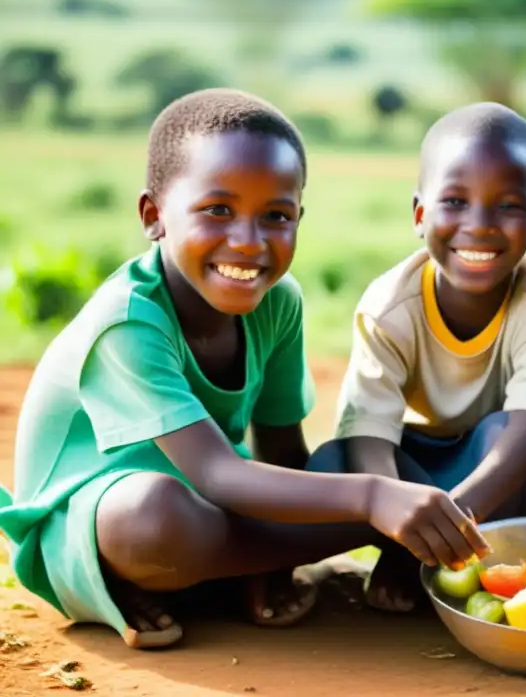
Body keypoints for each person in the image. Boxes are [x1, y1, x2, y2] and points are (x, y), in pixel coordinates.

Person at [0, 89, 487, 650]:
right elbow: (215, 474)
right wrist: (375, 503)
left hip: (217, 509)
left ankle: (232, 574)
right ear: (154, 216)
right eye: (217, 211)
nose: (248, 243)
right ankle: (196, 575)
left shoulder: (278, 302)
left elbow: (282, 450)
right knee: (158, 518)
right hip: (100, 527)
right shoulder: (128, 321)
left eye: (276, 216)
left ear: (298, 218)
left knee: (345, 460)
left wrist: (312, 535)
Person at [307, 102, 526, 613]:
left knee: (505, 437)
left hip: (492, 475)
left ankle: (452, 559)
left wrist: (451, 519)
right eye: (455, 201)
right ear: (419, 214)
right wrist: (405, 524)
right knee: (335, 462)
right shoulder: (388, 307)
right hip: (417, 464)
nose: (479, 225)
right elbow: (369, 432)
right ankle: (407, 556)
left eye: (508, 206)